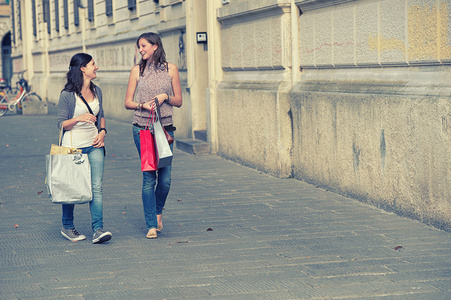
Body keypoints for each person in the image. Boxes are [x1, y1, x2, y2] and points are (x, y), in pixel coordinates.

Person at [124, 32, 182, 239]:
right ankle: (150, 224)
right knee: (149, 177)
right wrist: (143, 105)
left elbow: (179, 101)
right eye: (139, 46)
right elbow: (128, 102)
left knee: (165, 180)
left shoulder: (171, 69)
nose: (140, 50)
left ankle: (158, 212)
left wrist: (165, 96)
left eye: (143, 46)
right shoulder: (137, 70)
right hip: (143, 129)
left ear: (155, 46)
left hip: (165, 130)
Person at [57, 53, 112, 244]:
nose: (96, 67)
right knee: (70, 188)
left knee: (96, 187)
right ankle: (67, 226)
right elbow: (61, 124)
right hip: (73, 147)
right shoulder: (67, 95)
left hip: (95, 145)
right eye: (93, 64)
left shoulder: (97, 91)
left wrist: (102, 131)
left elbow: (101, 114)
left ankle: (98, 229)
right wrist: (79, 118)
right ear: (82, 69)